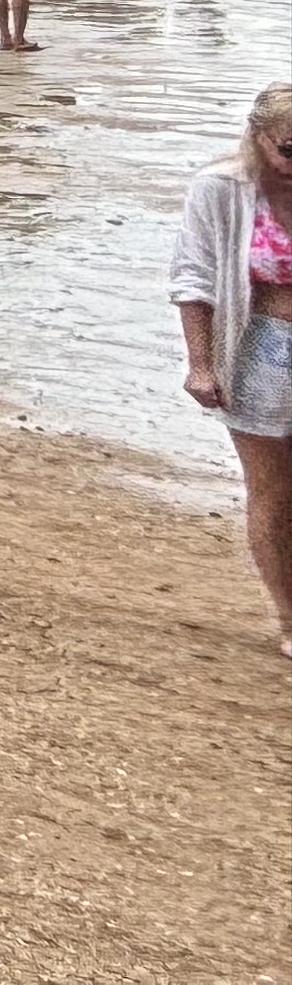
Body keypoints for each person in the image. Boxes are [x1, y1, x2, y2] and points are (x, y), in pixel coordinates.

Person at [168, 82, 292, 660]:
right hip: (261, 352)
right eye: (289, 149)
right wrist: (200, 364)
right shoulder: (221, 188)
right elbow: (193, 278)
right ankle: (289, 615)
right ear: (258, 136)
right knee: (273, 493)